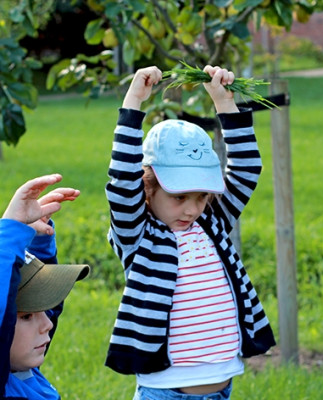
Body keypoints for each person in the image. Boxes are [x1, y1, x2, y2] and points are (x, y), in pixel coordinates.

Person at [105, 65, 276, 400]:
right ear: (148, 188)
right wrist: (134, 102)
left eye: (201, 196)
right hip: (165, 392)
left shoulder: (211, 223)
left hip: (221, 388)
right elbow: (121, 185)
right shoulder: (139, 236)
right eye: (179, 196)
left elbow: (246, 168)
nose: (192, 209)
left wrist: (224, 103)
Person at [0, 173, 90, 400]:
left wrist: (36, 240)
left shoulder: (23, 372)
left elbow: (46, 301)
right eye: (27, 316)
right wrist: (11, 230)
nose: (48, 323)